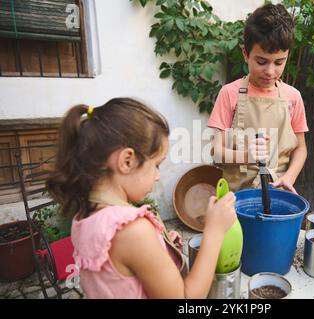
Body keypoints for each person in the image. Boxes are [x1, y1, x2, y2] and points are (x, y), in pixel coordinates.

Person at [47, 98, 237, 298]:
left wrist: (159, 247)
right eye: (156, 164)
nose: (158, 175)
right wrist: (214, 232)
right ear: (127, 161)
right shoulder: (133, 231)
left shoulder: (85, 215)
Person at [208, 3, 308, 193]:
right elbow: (217, 153)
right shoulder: (230, 93)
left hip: (277, 192)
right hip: (236, 198)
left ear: (287, 56)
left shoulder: (293, 97)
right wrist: (248, 156)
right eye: (261, 62)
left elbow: (300, 149)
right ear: (246, 54)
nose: (270, 71)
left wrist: (289, 178)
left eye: (279, 62)